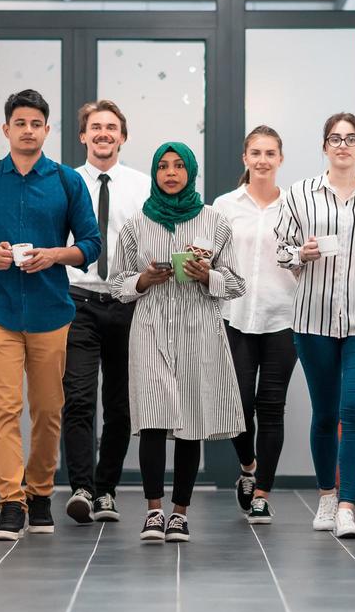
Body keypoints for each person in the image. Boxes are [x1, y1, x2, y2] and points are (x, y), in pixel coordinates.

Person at [0, 88, 102, 541]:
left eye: (36, 124)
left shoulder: (66, 182)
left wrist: (55, 254)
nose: (28, 130)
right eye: (20, 123)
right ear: (6, 129)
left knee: (48, 409)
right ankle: (11, 502)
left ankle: (40, 494)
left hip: (52, 311)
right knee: (4, 408)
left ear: (47, 130)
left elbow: (91, 245)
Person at [110, 141, 246, 543]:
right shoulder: (136, 224)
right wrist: (143, 280)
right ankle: (154, 512)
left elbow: (237, 284)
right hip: (151, 328)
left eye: (178, 166)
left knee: (190, 422)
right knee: (152, 419)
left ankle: (180, 514)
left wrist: (207, 275)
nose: (170, 173)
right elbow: (118, 284)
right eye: (163, 167)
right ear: (155, 173)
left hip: (198, 330)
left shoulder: (216, 222)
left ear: (190, 172)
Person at [275, 113, 355, 540]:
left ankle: (347, 506)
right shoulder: (299, 194)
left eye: (351, 138)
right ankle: (326, 496)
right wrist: (300, 254)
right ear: (325, 147)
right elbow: (280, 250)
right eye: (334, 138)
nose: (342, 145)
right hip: (314, 318)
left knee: (354, 409)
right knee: (325, 413)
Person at [61, 101, 151, 526]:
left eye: (111, 127)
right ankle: (81, 486)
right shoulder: (63, 182)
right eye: (95, 127)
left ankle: (106, 490)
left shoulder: (142, 186)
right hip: (76, 299)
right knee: (78, 398)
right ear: (83, 136)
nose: (103, 134)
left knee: (120, 405)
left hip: (127, 302)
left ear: (123, 136)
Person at [213, 126, 299, 525]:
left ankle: (262, 492)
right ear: (245, 158)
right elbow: (209, 257)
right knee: (238, 406)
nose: (263, 160)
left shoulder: (296, 207)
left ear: (280, 159)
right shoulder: (225, 205)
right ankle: (247, 466)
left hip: (284, 318)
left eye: (270, 153)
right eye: (256, 153)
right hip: (235, 317)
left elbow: (304, 260)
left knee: (272, 407)